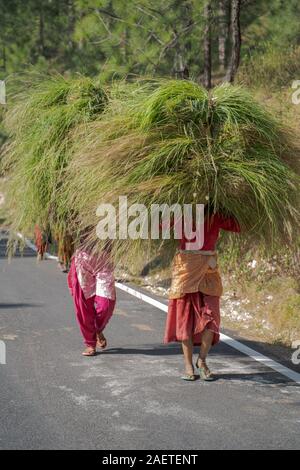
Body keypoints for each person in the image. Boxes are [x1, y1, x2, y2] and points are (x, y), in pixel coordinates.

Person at [164, 211, 240, 381]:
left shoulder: (216, 215)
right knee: (185, 321)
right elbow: (160, 225)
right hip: (186, 270)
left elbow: (238, 226)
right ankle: (188, 365)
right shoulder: (181, 213)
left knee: (212, 318)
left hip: (208, 271)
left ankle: (202, 360)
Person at [67, 243, 116, 356]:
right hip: (82, 260)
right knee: (83, 306)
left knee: (106, 304)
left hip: (104, 259)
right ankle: (90, 343)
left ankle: (97, 329)